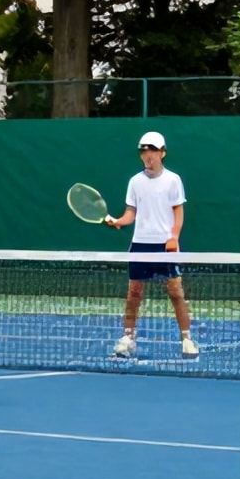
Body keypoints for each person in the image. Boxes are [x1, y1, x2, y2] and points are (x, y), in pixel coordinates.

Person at [101, 130, 199, 358]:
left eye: (153, 150)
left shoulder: (173, 180)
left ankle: (187, 339)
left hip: (165, 245)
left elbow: (178, 212)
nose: (148, 155)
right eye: (144, 151)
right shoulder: (135, 182)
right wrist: (119, 221)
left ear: (162, 153)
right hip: (140, 244)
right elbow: (130, 213)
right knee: (134, 293)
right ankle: (128, 339)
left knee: (176, 293)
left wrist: (174, 236)